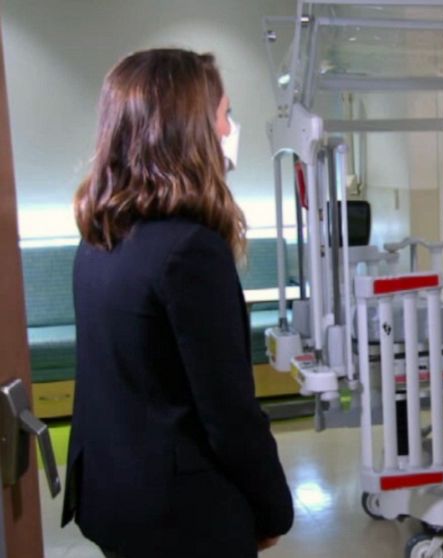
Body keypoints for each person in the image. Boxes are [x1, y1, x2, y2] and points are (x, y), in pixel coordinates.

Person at [62, 49, 294, 558]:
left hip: (113, 497)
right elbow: (228, 414)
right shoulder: (189, 250)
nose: (231, 129)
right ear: (190, 128)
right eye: (225, 114)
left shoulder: (100, 236)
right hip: (181, 516)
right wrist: (274, 508)